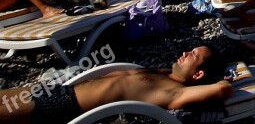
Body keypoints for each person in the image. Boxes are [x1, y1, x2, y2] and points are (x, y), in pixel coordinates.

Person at [0, 46, 232, 124]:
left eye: (192, 54)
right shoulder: (164, 75)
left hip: (62, 106)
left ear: (199, 74)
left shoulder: (175, 92)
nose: (184, 52)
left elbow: (223, 88)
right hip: (59, 90)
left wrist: (231, 75)